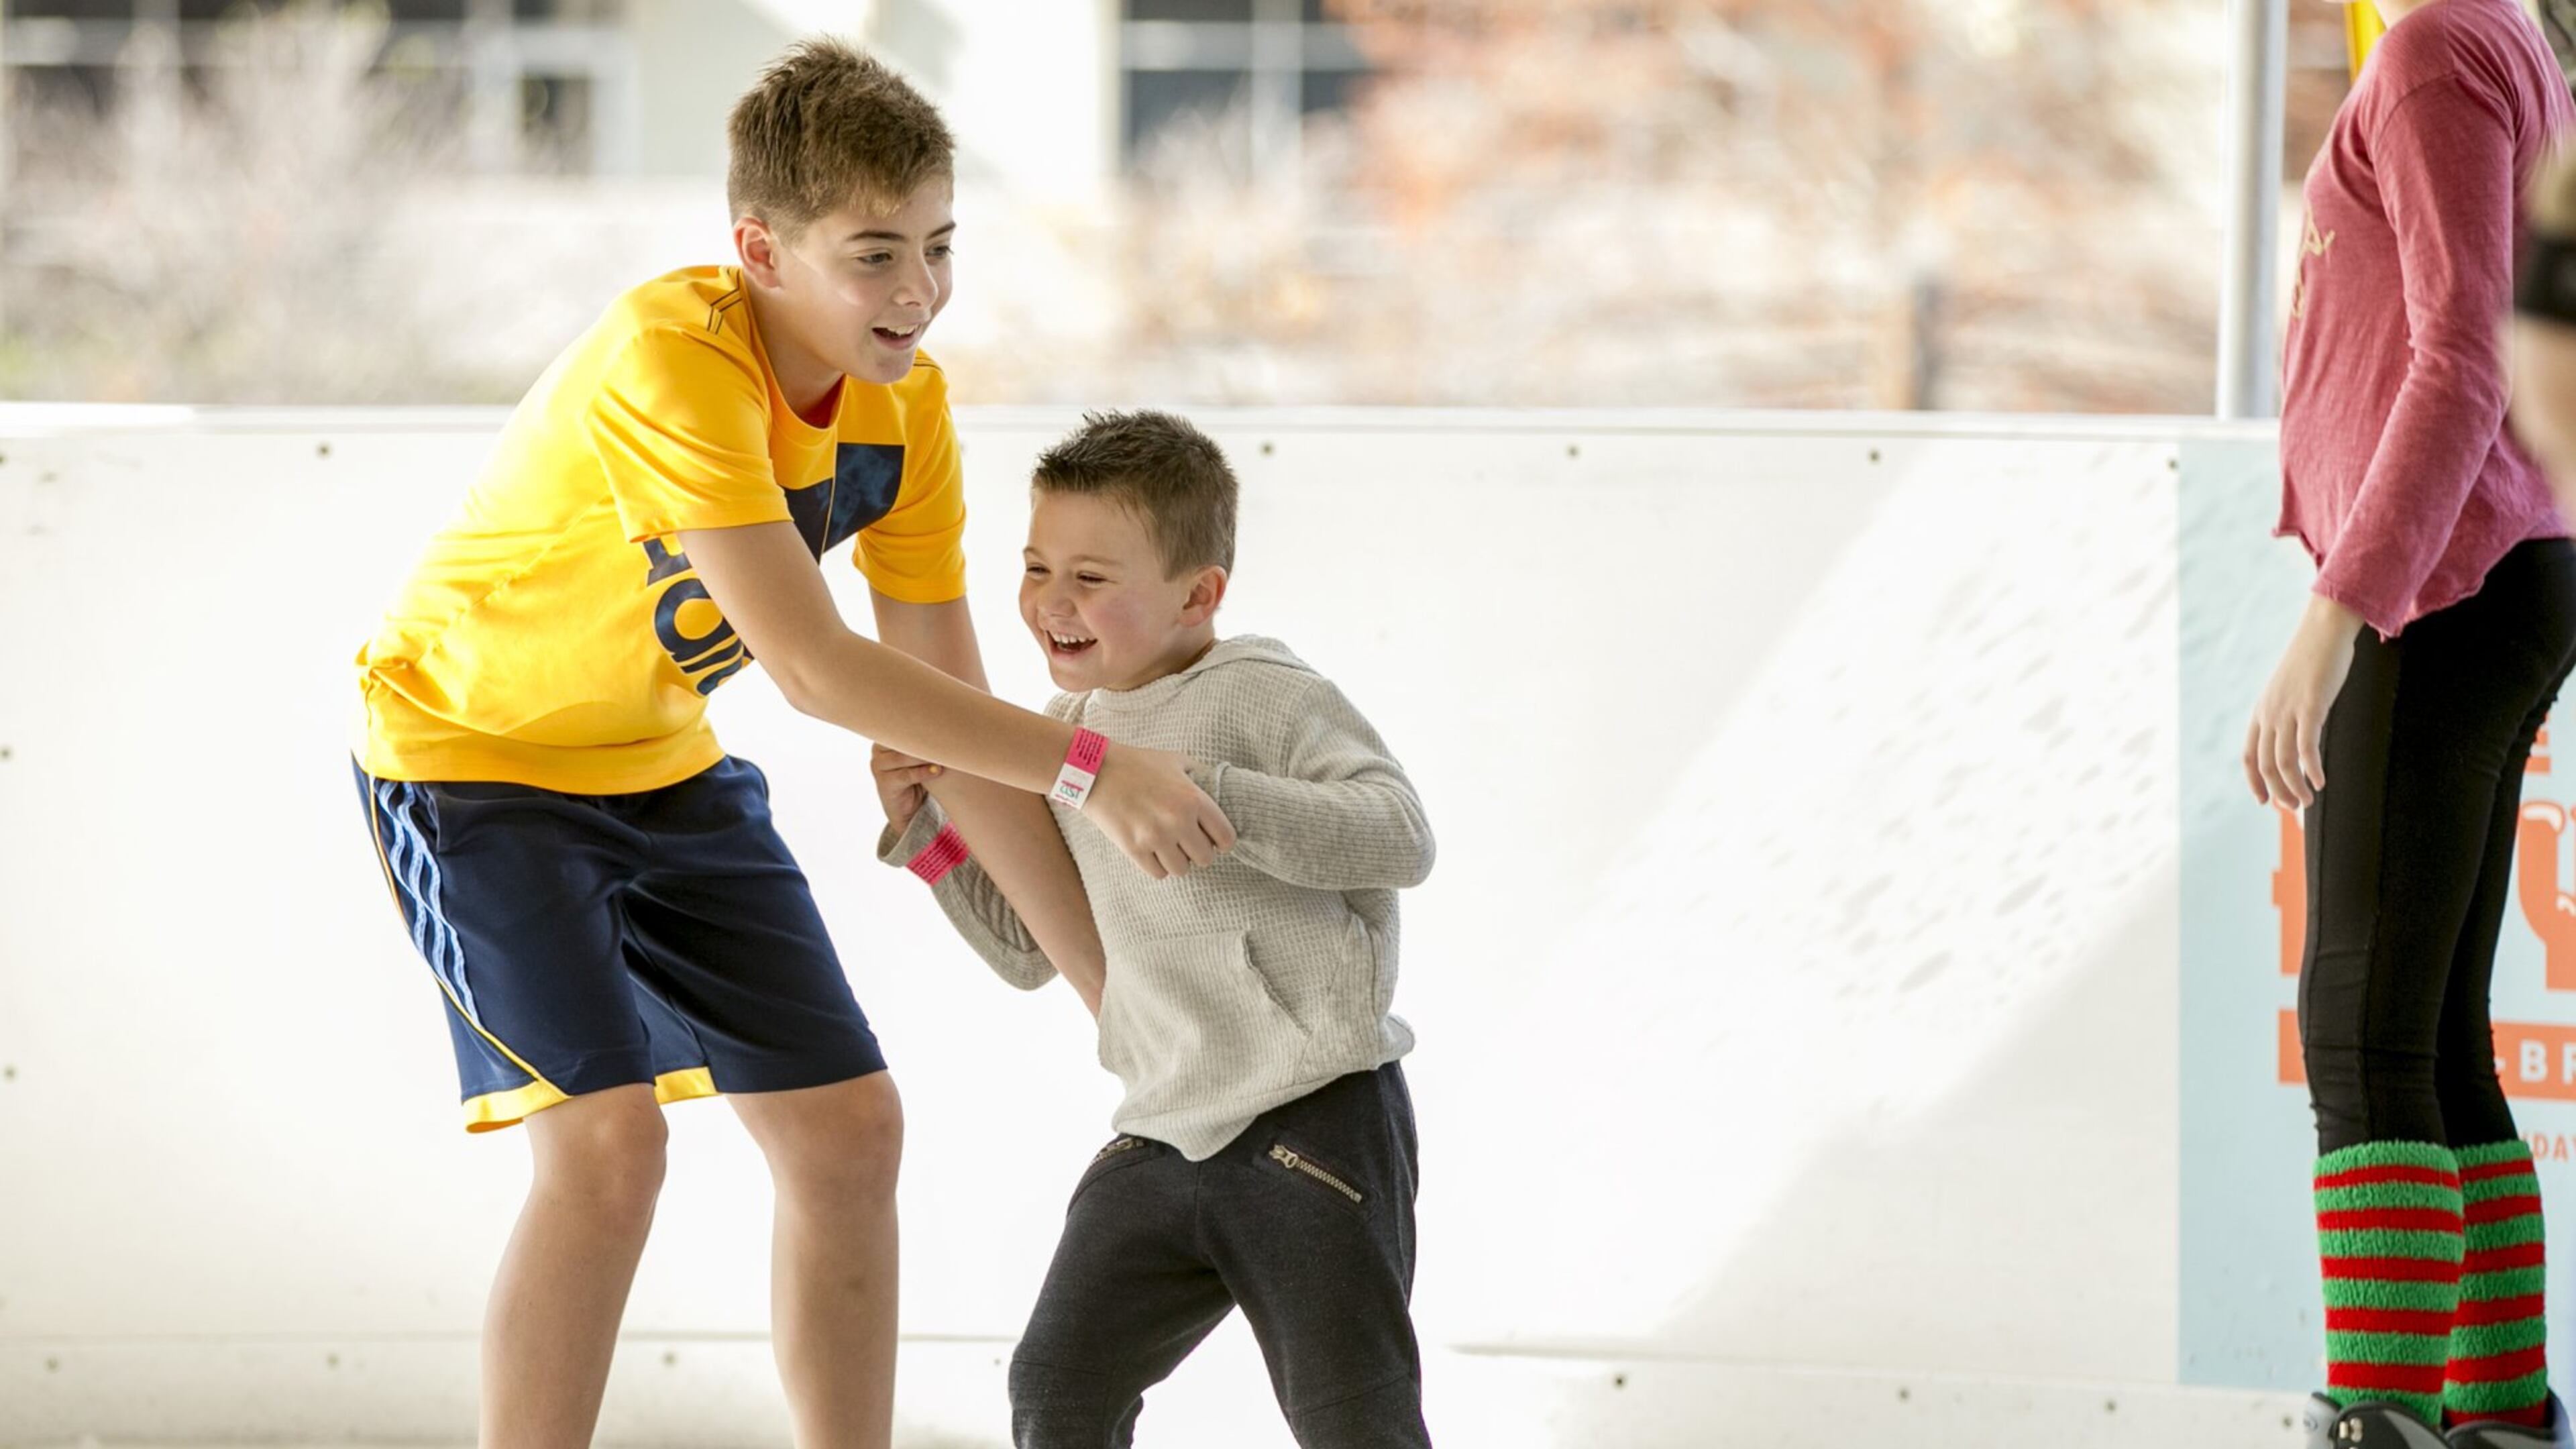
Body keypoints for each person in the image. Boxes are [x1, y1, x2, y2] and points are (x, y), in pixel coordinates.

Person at [348, 42, 1229, 1449]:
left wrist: (1123, 1006)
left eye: (939, 247)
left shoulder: (908, 410)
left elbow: (947, 717)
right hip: (470, 764)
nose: (918, 291)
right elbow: (821, 671)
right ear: (760, 250)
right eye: (875, 255)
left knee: (848, 1133)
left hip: (660, 766)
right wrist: (1098, 765)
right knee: (610, 1150)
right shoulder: (671, 360)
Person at [875, 411, 1436, 1446]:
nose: (1051, 602)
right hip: (1163, 1129)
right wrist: (927, 833)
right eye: (1036, 568)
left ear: (1199, 594)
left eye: (1091, 578)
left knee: (1352, 1417)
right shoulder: (1066, 742)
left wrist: (1206, 794)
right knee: (1056, 1387)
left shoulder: (1266, 694)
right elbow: (1029, 952)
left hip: (1312, 1119)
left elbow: (1400, 836)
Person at [2248, 1, 2576, 1443]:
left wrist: (2339, 614)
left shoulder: (2437, 45)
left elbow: (2464, 356)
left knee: (2363, 1029)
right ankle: (2496, 1417)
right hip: (2501, 566)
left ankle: (2378, 1420)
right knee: (2434, 1036)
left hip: (2445, 583)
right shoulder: (2494, 34)